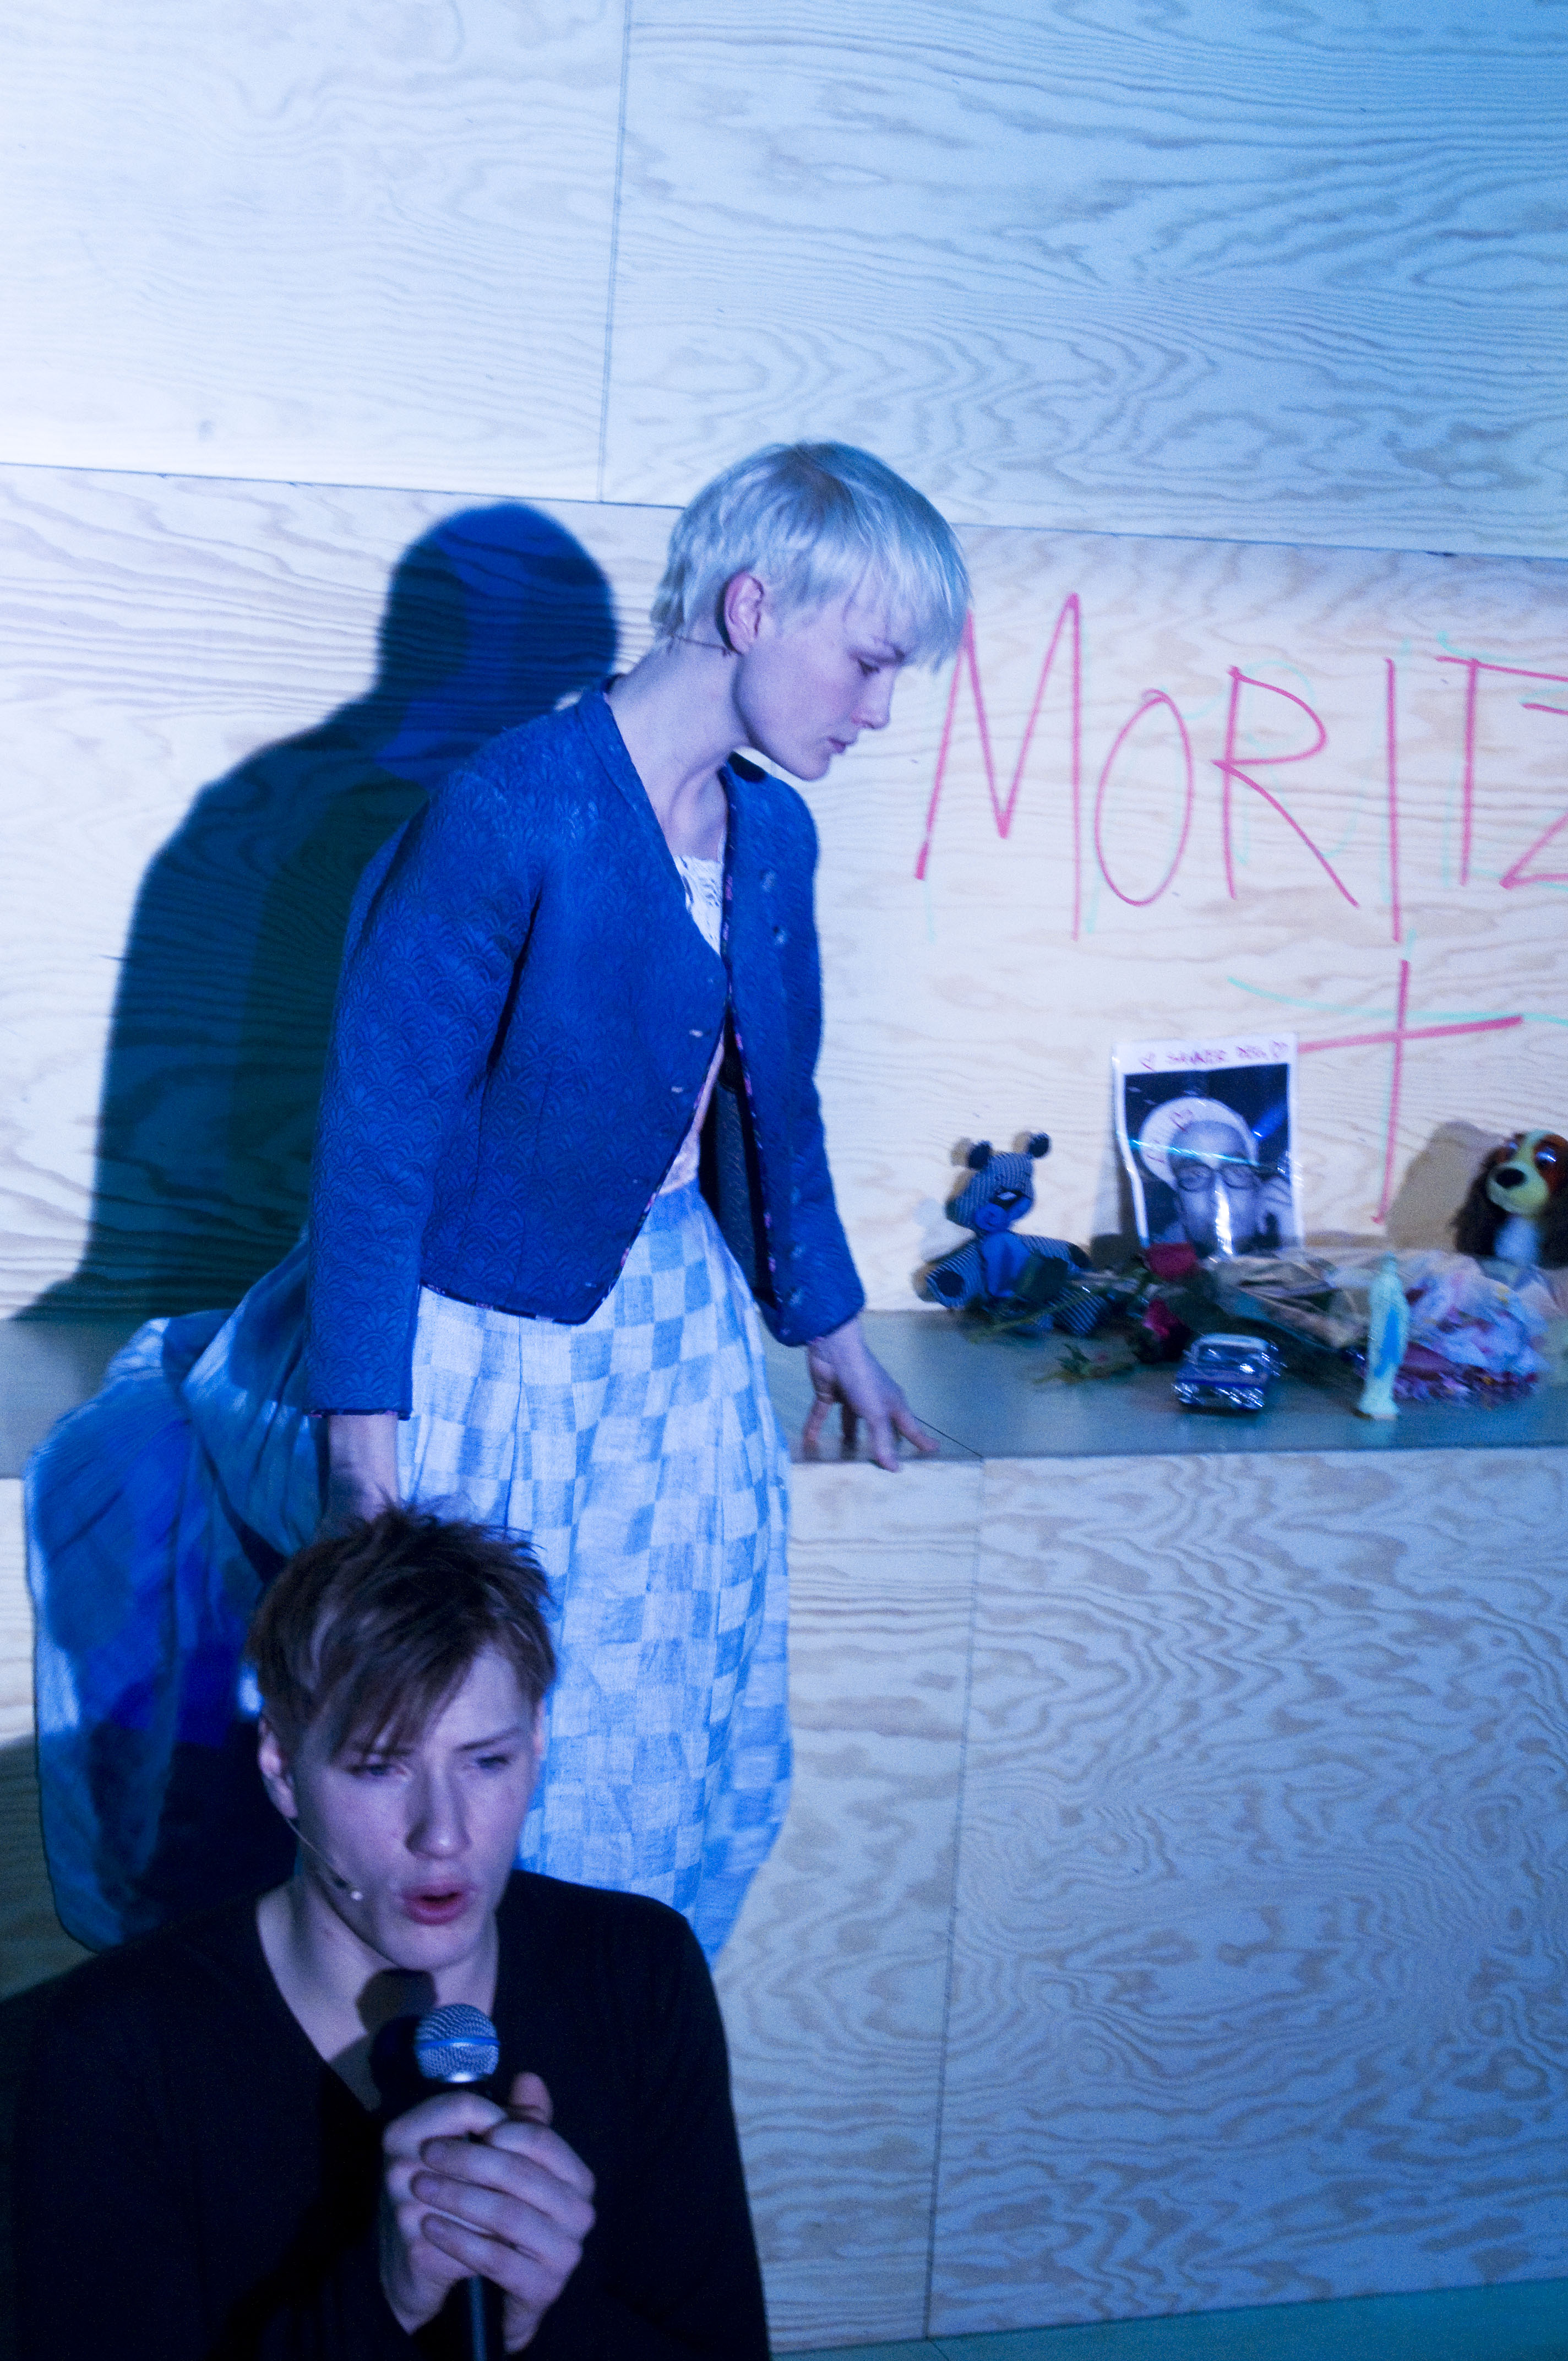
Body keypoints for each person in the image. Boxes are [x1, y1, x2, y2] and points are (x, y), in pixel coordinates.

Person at [27, 441, 971, 1956]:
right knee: (477, 1740)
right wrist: (364, 1464)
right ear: (751, 609)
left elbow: (771, 1109)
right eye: (869, 664)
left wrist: (833, 1331)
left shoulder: (775, 834)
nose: (878, 711)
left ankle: (601, 2022)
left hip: (668, 1338)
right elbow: (376, 1146)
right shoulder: (511, 808)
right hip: (476, 1341)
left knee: (665, 1711)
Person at [16, 1508, 771, 2359]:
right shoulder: (116, 2051)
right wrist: (382, 2302)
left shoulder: (638, 1971)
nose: (442, 1834)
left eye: (486, 1761)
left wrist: (536, 2307)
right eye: (380, 1768)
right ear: (283, 1768)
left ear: (537, 1743)